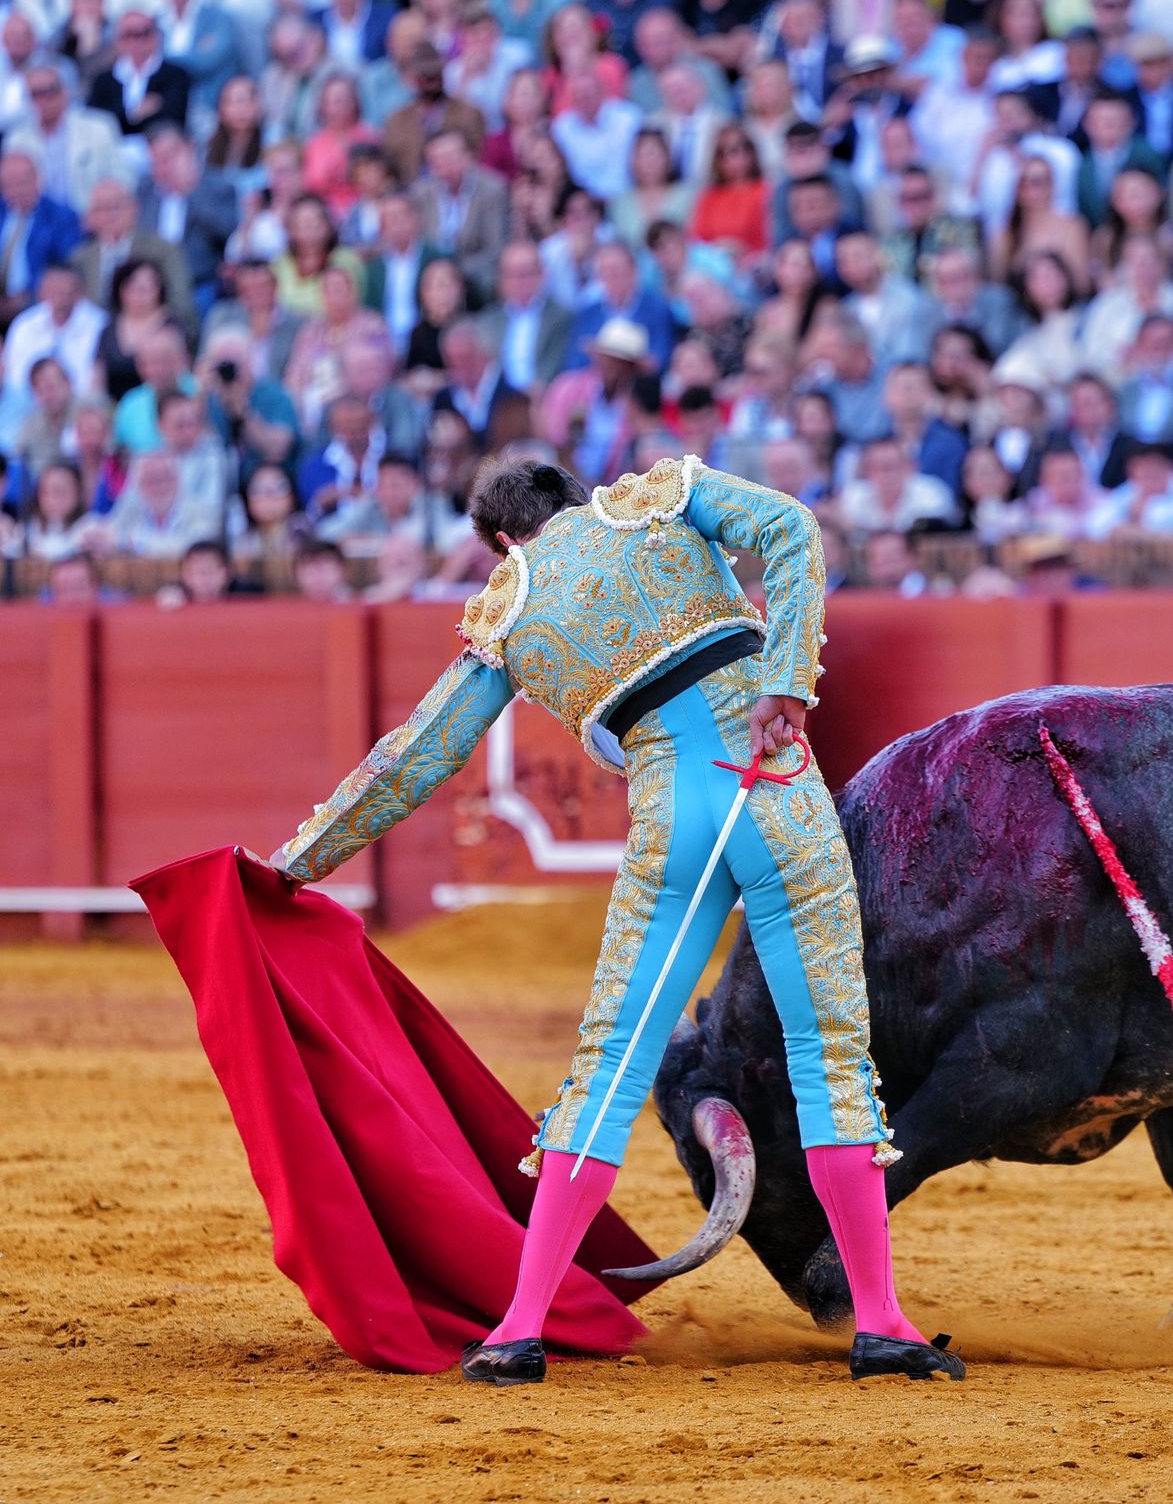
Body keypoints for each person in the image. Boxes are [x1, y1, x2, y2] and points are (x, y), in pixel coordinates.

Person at [269, 455, 966, 1386]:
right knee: (829, 1057)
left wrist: (295, 863)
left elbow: (415, 757)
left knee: (609, 1066)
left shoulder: (509, 606)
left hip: (672, 819)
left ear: (504, 542)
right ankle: (879, 1322)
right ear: (573, 495)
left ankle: (518, 1328)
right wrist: (788, 679)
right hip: (777, 788)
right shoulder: (656, 500)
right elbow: (792, 527)